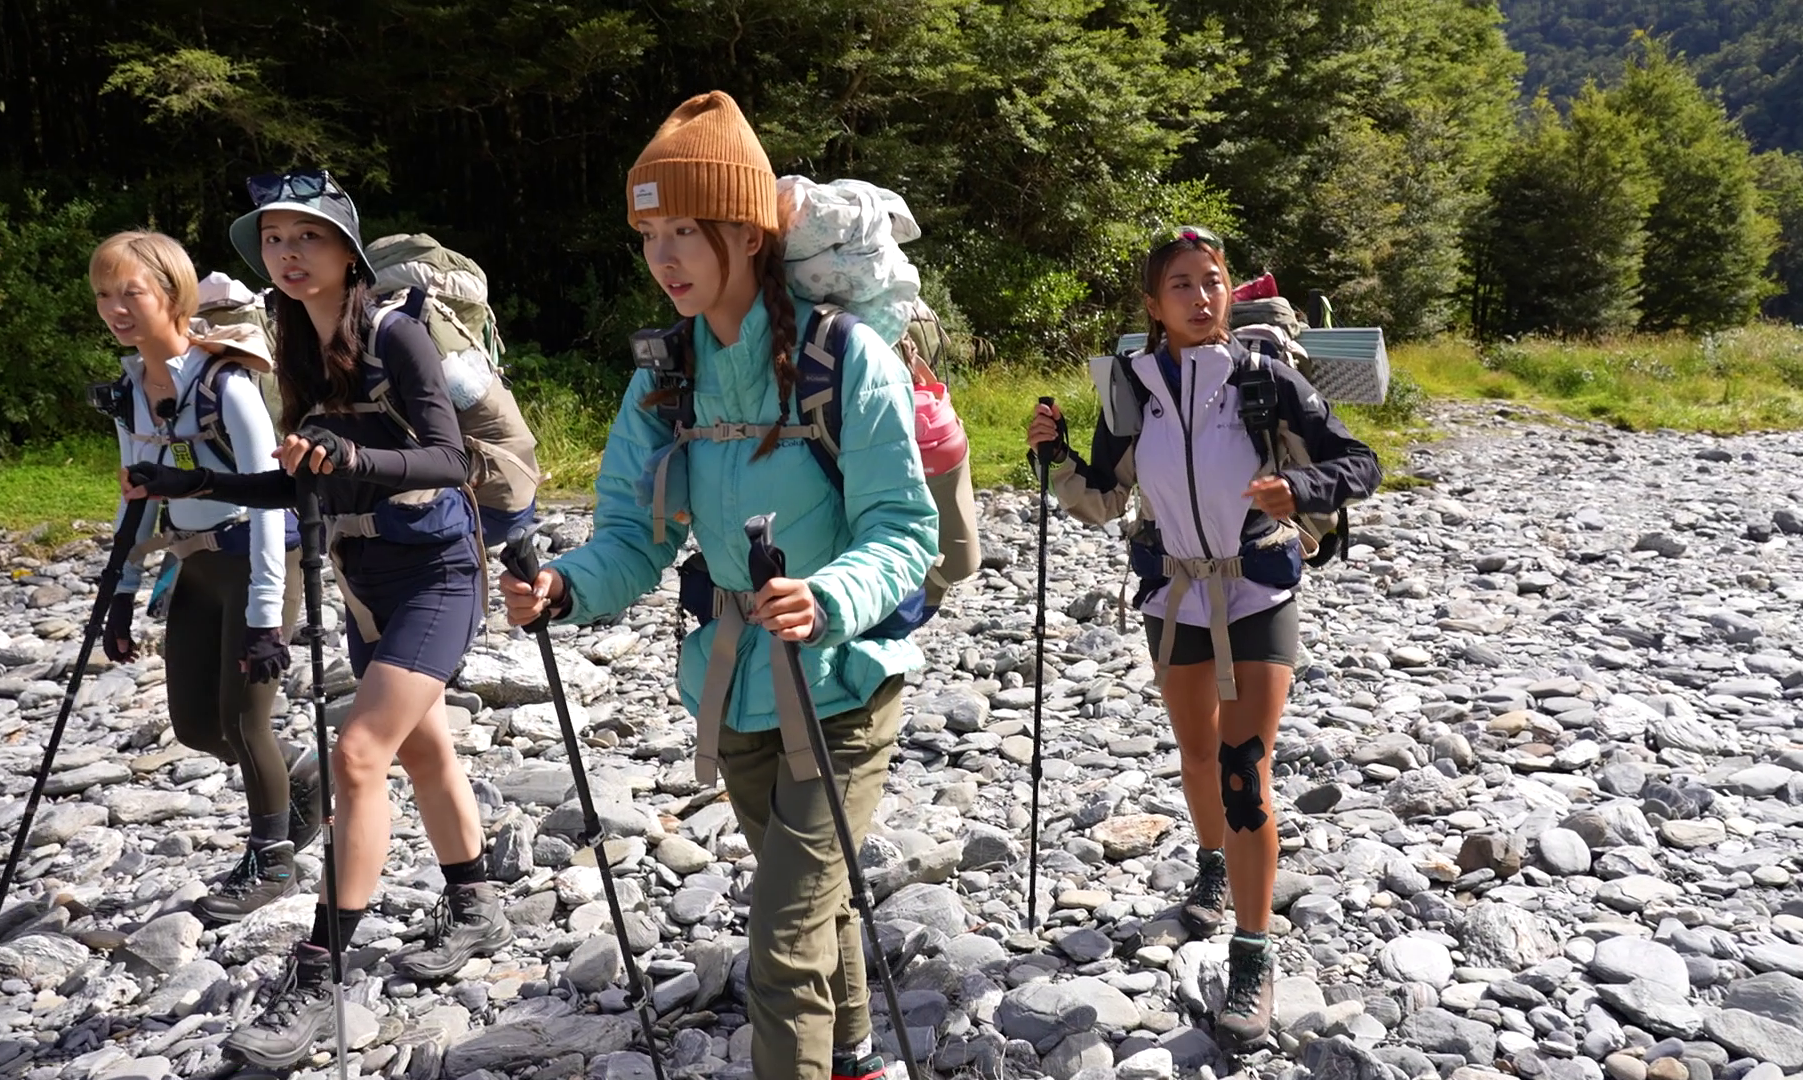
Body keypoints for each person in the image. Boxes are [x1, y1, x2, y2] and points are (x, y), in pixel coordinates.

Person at [498, 92, 937, 1080]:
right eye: (649, 237)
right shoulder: (665, 375)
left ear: (746, 232)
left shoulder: (844, 359)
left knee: (780, 944)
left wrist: (829, 598)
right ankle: (859, 1060)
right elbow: (632, 536)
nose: (664, 258)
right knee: (812, 903)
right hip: (733, 687)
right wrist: (563, 586)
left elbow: (903, 530)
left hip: (844, 685)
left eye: (685, 232)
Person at [126, 170, 505, 1070]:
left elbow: (448, 459)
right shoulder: (294, 342)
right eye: (274, 240)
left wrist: (353, 455)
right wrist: (195, 480)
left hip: (438, 571)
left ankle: (319, 971)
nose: (288, 254)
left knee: (357, 755)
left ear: (348, 252)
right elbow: (299, 480)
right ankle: (478, 904)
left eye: (308, 237)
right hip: (365, 575)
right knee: (423, 748)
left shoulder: (396, 334)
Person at [1025, 227, 1380, 1049]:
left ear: (1228, 292)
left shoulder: (1267, 380)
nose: (1200, 296)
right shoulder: (1133, 388)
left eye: (1212, 281)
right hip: (1173, 594)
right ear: (1154, 305)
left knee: (1242, 770)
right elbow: (1105, 499)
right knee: (1196, 754)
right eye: (1181, 284)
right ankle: (1212, 867)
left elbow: (1360, 462)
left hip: (1257, 590)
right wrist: (1056, 457)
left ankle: (1252, 959)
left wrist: (1300, 486)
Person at [90, 229, 321, 923]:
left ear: (172, 294)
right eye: (104, 295)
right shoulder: (131, 391)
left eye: (130, 292)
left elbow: (270, 499)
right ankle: (303, 771)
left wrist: (264, 619)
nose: (115, 308)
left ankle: (270, 860)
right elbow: (135, 494)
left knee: (244, 721)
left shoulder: (227, 384)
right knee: (195, 727)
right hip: (194, 565)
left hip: (258, 561)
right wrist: (120, 595)